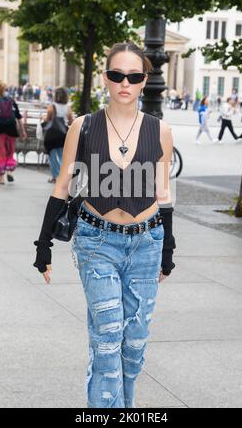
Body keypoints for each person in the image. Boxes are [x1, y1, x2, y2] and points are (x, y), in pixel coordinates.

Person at [33, 41, 176, 408]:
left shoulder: (160, 130)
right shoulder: (83, 127)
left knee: (134, 345)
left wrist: (168, 248)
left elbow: (163, 192)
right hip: (98, 241)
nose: (124, 83)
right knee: (108, 339)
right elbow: (63, 185)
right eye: (117, 75)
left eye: (133, 76)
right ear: (105, 78)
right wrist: (43, 244)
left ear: (145, 80)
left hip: (146, 242)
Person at [43, 87, 73, 183]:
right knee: (61, 156)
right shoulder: (68, 108)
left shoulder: (52, 106)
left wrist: (43, 118)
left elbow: (47, 119)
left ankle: (55, 176)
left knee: (52, 155)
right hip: (63, 134)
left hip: (52, 135)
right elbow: (70, 121)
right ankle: (62, 176)